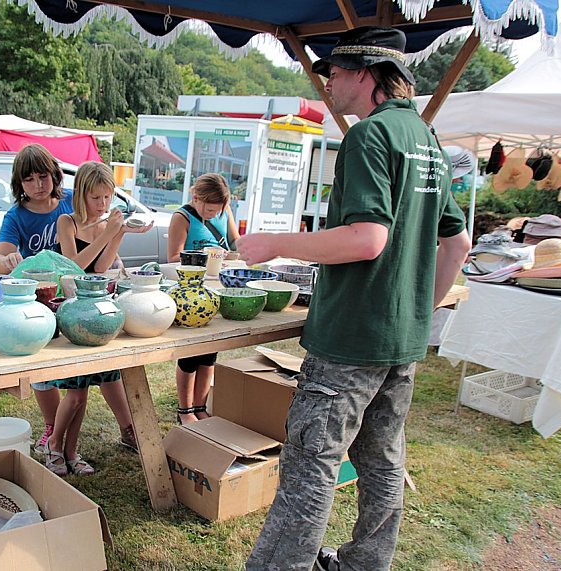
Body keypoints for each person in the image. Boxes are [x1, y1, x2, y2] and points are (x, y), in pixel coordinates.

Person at [237, 27, 471, 571]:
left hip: (350, 342)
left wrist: (274, 243)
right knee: (383, 462)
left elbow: (368, 239)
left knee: (311, 469)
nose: (330, 84)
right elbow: (457, 243)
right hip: (400, 343)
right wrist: (415, 315)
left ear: (365, 74)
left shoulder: (370, 136)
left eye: (335, 73)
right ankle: (365, 564)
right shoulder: (426, 139)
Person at [40, 161, 153, 476]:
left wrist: (116, 234)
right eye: (96, 198)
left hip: (96, 310)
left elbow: (100, 270)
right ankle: (54, 446)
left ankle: (70, 452)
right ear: (80, 195)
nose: (102, 204)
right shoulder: (68, 222)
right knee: (75, 392)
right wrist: (107, 234)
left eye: (107, 198)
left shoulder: (106, 223)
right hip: (71, 310)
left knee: (84, 389)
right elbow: (74, 268)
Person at [0, 143, 73, 456]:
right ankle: (52, 425)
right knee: (40, 368)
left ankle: (126, 425)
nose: (38, 185)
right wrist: (8, 258)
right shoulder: (17, 216)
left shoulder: (70, 205)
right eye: (29, 180)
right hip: (37, 302)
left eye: (43, 177)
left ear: (55, 175)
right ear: (19, 184)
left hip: (73, 293)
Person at [167, 173, 239, 424]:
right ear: (196, 198)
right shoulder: (181, 217)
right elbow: (172, 257)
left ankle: (200, 404)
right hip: (190, 291)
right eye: (208, 209)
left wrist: (233, 252)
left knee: (211, 350)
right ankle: (185, 409)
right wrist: (203, 256)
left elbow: (234, 243)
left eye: (216, 210)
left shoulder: (224, 212)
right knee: (191, 352)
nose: (212, 214)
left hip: (215, 288)